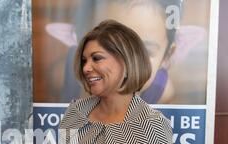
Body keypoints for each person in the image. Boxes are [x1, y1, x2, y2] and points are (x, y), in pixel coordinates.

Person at [44, 0, 207, 104]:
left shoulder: (161, 90)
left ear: (167, 56)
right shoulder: (68, 79)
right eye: (108, 47)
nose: (125, 65)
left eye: (145, 51)